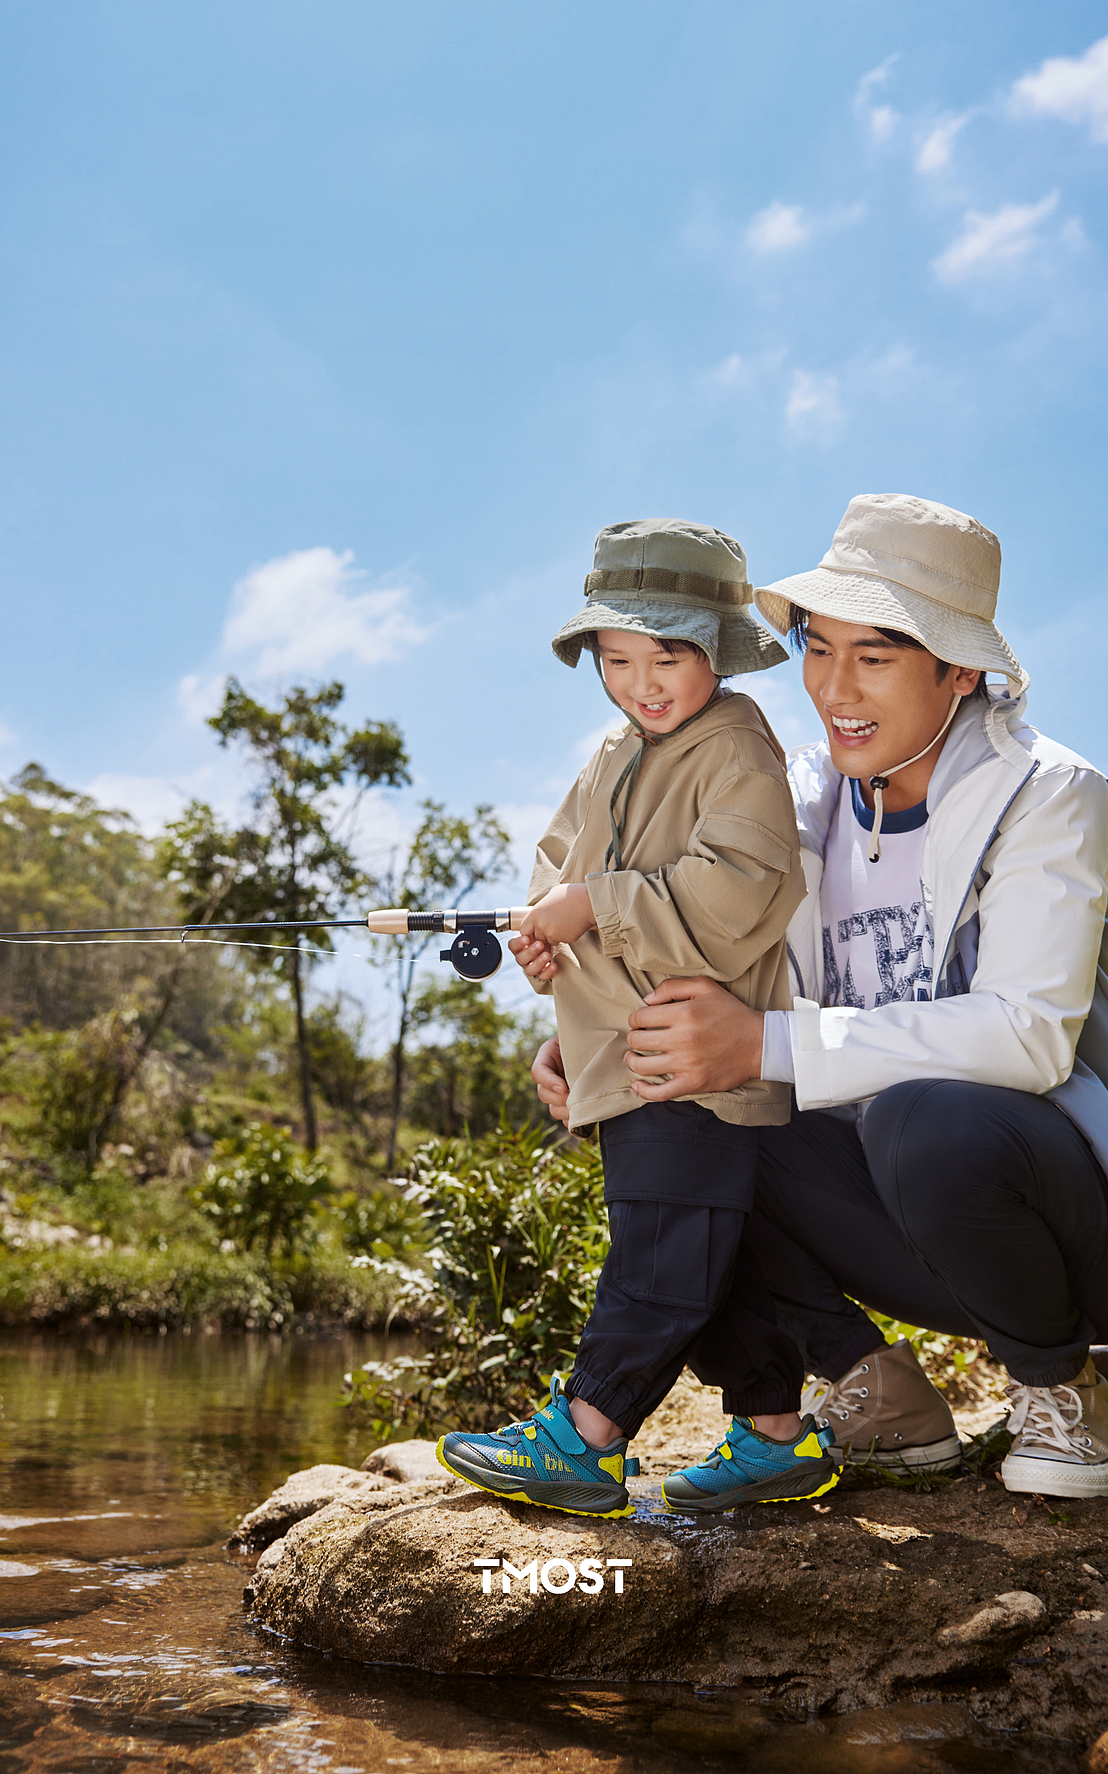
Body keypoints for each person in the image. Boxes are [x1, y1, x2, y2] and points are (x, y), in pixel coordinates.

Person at [530, 494, 1108, 1501]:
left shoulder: (1046, 791)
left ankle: (1057, 1385)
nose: (833, 689)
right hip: (889, 1219)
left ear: (958, 670)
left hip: (1064, 1224)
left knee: (929, 1118)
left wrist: (763, 1045)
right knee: (691, 1118)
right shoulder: (789, 790)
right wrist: (604, 1045)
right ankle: (875, 1391)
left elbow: (1027, 1038)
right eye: (817, 648)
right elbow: (692, 944)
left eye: (874, 657)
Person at [435, 517, 842, 1518]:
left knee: (658, 1255)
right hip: (627, 1059)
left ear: (716, 649)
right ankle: (775, 1438)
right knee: (720, 1256)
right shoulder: (612, 750)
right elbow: (556, 866)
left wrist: (597, 906)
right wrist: (549, 938)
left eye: (667, 655)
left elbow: (740, 890)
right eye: (617, 658)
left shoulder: (738, 747)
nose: (641, 680)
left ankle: (587, 1436)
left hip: (694, 1062)